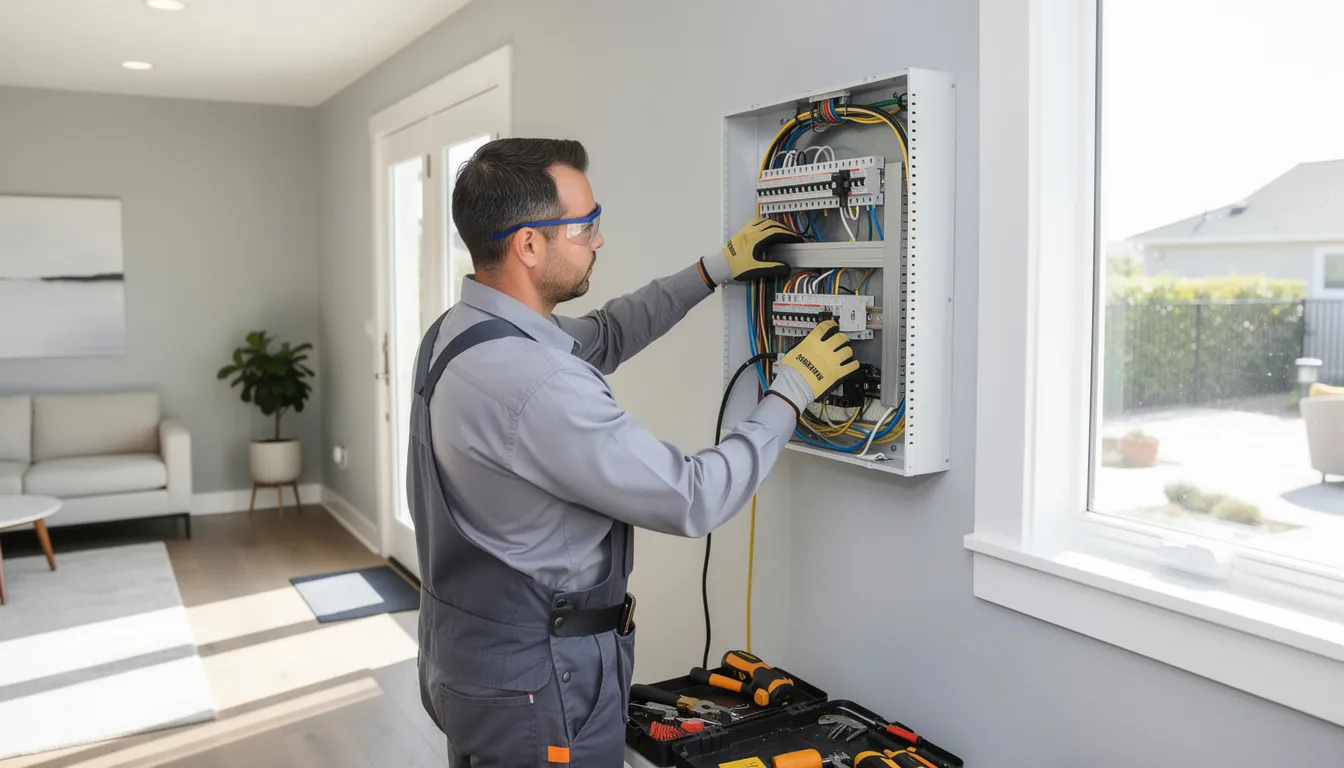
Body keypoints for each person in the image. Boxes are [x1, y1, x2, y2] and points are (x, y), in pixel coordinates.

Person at [408, 137, 858, 766]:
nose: (598, 240)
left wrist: (713, 269)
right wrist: (791, 389)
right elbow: (693, 497)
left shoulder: (457, 334)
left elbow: (608, 333)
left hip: (472, 658)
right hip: (543, 684)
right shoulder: (538, 385)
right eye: (585, 225)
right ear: (529, 245)